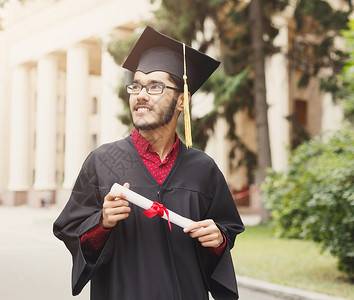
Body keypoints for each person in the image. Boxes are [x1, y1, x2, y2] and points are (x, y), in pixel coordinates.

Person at [53, 26, 244, 300]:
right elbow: (70, 230)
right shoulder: (102, 162)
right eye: (136, 85)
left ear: (182, 100)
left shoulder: (204, 169)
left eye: (155, 86)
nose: (141, 94)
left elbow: (226, 231)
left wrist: (218, 239)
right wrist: (102, 222)